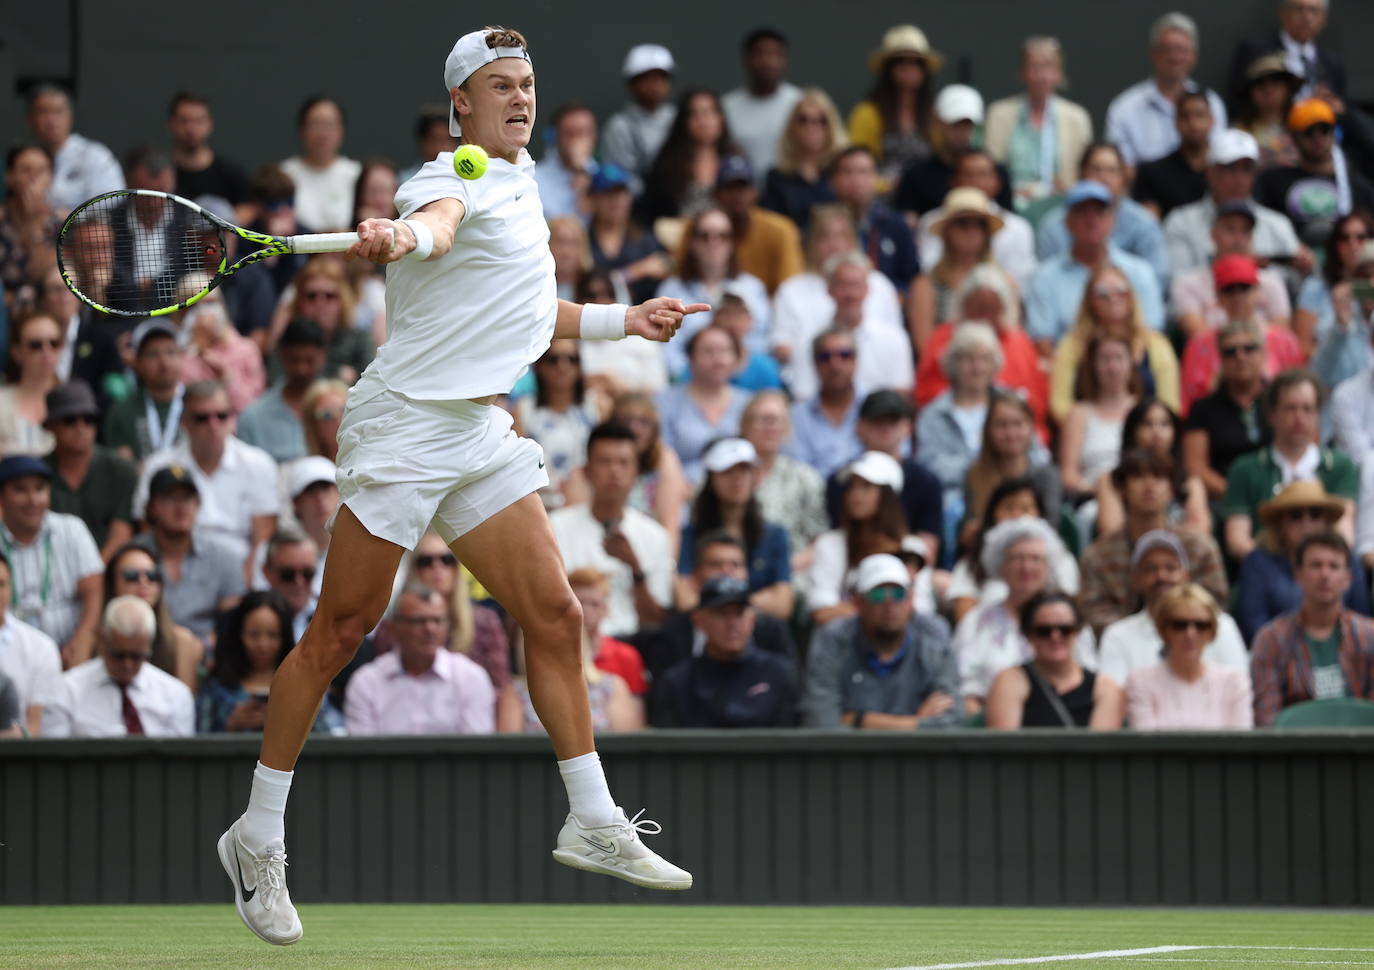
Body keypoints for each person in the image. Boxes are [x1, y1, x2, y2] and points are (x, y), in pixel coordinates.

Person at [220, 31, 702, 944]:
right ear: (461, 107)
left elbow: (520, 310)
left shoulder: (523, 184)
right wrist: (407, 232)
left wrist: (621, 322)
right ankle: (257, 835)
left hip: (477, 428)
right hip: (404, 426)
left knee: (556, 614)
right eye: (499, 85)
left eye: (527, 83)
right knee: (338, 633)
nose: (519, 97)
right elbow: (436, 222)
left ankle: (593, 818)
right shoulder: (445, 176)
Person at [134, 380, 279, 573]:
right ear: (184, 421)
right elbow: (148, 529)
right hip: (177, 569)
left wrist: (244, 586)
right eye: (202, 418)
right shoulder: (158, 466)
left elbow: (262, 539)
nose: (213, 425)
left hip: (242, 571)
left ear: (232, 418)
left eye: (221, 416)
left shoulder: (259, 464)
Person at [1080, 449, 1228, 636]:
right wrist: (1142, 635)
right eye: (1138, 477)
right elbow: (1095, 614)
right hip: (1124, 649)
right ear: (1122, 489)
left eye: (1158, 477)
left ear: (1171, 488)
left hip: (1191, 641)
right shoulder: (1098, 555)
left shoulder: (1199, 547)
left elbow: (1215, 602)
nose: (1149, 485)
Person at [802, 553, 960, 729]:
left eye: (899, 593)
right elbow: (821, 724)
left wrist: (860, 721)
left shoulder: (933, 634)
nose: (889, 602)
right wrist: (917, 723)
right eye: (878, 594)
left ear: (911, 599)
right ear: (857, 602)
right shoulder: (833, 639)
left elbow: (953, 722)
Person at [953, 516, 1094, 710]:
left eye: (1036, 559)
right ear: (1000, 565)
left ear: (1049, 566)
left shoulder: (1068, 619)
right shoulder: (976, 621)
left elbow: (1088, 675)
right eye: (1017, 558)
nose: (1027, 567)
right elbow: (963, 686)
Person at [626, 529, 796, 685]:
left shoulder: (772, 633)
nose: (727, 572)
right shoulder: (671, 636)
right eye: (715, 565)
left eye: (736, 565)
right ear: (694, 575)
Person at [550, 422, 674, 636]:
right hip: (572, 639)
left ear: (636, 471)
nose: (614, 471)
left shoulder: (656, 536)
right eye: (604, 462)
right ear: (587, 471)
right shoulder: (556, 527)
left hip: (634, 643)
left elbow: (655, 620)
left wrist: (636, 570)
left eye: (624, 462)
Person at [1223, 369, 1358, 561]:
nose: (1299, 417)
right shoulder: (1244, 468)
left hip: (1323, 575)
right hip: (1265, 575)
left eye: (1307, 409)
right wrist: (1275, 569)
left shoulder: (1340, 465)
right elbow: (1237, 540)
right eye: (1290, 408)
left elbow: (1344, 534)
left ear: (1318, 415)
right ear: (1271, 415)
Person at [769, 204, 904, 395]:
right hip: (810, 386)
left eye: (841, 235)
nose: (834, 244)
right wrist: (832, 363)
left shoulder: (879, 285)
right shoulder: (791, 290)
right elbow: (781, 346)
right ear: (812, 242)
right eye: (825, 236)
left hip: (875, 389)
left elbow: (892, 343)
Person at [1251, 533, 1374, 725]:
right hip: (1295, 752)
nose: (1325, 575)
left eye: (1334, 566)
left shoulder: (1369, 635)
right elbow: (1267, 721)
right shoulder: (1272, 638)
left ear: (1348, 578)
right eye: (1316, 565)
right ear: (1297, 575)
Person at [342, 583, 496, 735]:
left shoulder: (471, 678)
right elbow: (362, 754)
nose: (430, 629)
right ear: (394, 626)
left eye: (437, 620)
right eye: (419, 621)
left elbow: (476, 752)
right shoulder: (367, 682)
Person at [1025, 181, 1164, 349]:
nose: (1091, 220)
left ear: (1112, 220)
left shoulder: (1140, 272)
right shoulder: (1045, 277)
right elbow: (1042, 343)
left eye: (1099, 211)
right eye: (1082, 211)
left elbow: (1151, 334)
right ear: (1067, 221)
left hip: (1133, 369)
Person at [649, 574, 797, 728]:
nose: (732, 624)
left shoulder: (779, 674)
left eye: (739, 613)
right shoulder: (677, 682)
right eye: (721, 613)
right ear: (698, 620)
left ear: (752, 619)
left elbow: (788, 741)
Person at [1098, 532, 1248, 683]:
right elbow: (1113, 696)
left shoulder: (1222, 626)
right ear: (1135, 579)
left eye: (1170, 567)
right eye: (1150, 569)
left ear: (1186, 575)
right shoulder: (1117, 636)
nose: (1161, 576)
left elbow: (1240, 688)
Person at [503, 575, 644, 735]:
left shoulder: (613, 683)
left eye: (594, 604)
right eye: (581, 603)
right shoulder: (516, 691)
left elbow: (628, 742)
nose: (588, 611)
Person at [915, 264, 1046, 432]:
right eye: (978, 309)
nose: (984, 317)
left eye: (991, 310)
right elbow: (926, 395)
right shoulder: (942, 339)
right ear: (964, 305)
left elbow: (1037, 403)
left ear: (1003, 310)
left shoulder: (1020, 343)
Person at [0, 453, 103, 667]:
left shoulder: (72, 530)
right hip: (7, 652)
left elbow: (94, 594)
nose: (33, 500)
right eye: (21, 489)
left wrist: (81, 640)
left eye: (40, 489)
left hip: (68, 650)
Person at [1235, 480, 1370, 643]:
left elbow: (1361, 616)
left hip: (1345, 653)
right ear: (1280, 523)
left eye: (1315, 514)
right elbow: (1254, 624)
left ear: (1327, 521)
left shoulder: (1348, 558)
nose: (1306, 522)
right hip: (1279, 655)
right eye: (1296, 515)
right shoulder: (1258, 562)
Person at [42, 596, 194, 737]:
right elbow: (55, 760)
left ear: (149, 645)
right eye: (118, 655)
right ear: (102, 641)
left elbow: (180, 761)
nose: (127, 665)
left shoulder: (175, 696)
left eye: (137, 656)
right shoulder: (67, 690)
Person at [677, 438, 792, 619]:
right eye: (728, 471)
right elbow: (684, 599)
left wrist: (727, 602)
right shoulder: (690, 535)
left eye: (745, 470)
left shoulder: (774, 534)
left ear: (756, 477)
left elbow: (783, 604)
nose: (737, 479)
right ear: (712, 477)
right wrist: (756, 600)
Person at [1049, 264, 1180, 424]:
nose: (1113, 298)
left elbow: (1170, 404)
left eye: (1121, 291)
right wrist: (1095, 427)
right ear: (1090, 300)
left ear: (1131, 297)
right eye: (1102, 293)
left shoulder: (1156, 344)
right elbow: (1060, 405)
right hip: (1087, 434)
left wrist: (1137, 430)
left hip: (1144, 435)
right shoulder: (1071, 345)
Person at [1163, 129, 1304, 276]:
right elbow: (1177, 281)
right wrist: (1240, 265)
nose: (1239, 178)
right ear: (1210, 172)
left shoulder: (1278, 225)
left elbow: (1296, 287)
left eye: (1246, 169)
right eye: (1230, 168)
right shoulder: (1180, 222)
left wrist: (1304, 270)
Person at [199, 592, 343, 735]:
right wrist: (231, 727)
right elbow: (198, 743)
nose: (263, 645)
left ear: (284, 637)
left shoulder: (305, 691)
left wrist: (296, 722)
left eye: (272, 635)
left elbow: (328, 738)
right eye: (254, 635)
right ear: (239, 635)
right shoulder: (216, 690)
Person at [825, 390, 944, 561]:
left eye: (893, 420)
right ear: (859, 427)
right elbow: (836, 538)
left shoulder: (927, 482)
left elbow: (927, 551)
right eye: (877, 421)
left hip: (904, 564)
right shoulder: (840, 480)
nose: (885, 428)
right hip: (847, 562)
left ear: (908, 427)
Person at [1036, 143, 1169, 290]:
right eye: (1096, 169)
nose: (1104, 178)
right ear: (1081, 174)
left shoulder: (1145, 223)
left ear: (1124, 178)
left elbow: (1158, 281)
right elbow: (1044, 284)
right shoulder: (1052, 225)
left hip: (1125, 306)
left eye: (1112, 171)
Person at [135, 463, 245, 642]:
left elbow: (230, 623)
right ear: (151, 507)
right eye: (170, 497)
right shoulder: (133, 555)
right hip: (147, 649)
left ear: (198, 504)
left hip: (209, 656)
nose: (180, 507)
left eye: (187, 497)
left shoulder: (224, 557)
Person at [657, 208, 770, 379]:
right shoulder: (672, 289)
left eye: (722, 235)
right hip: (690, 382)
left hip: (747, 379)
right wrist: (694, 377)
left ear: (732, 242)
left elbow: (761, 340)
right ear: (692, 242)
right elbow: (667, 345)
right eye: (704, 235)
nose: (713, 242)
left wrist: (734, 373)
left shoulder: (753, 287)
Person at [1104, 12, 1228, 168]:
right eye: (1167, 49)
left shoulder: (1211, 102)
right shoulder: (1124, 108)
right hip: (1144, 190)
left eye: (1182, 50)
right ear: (1153, 54)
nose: (1174, 57)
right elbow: (1120, 168)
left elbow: (1219, 158)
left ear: (1193, 56)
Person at [945, 477, 1078, 622]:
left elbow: (1070, 610)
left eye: (1025, 509)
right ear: (993, 513)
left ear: (1040, 513)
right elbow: (964, 617)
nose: (1016, 516)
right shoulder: (972, 563)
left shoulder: (1061, 558)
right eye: (1008, 508)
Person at [984, 36, 1094, 210]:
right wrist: (1011, 192)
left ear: (1059, 73)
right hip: (1010, 206)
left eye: (1048, 66)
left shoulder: (1077, 118)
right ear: (1021, 72)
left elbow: (1084, 174)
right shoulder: (998, 114)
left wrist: (1064, 188)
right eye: (1033, 66)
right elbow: (991, 169)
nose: (1041, 74)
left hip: (1063, 207)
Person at [985, 592, 1124, 729]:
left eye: (1065, 629)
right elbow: (1005, 747)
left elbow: (1100, 748)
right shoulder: (1010, 681)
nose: (1055, 636)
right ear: (1028, 634)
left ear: (1077, 631)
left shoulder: (1104, 688)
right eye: (1044, 631)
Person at [1125, 583, 1254, 730]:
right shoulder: (1141, 682)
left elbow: (1241, 746)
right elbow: (1145, 746)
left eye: (1201, 625)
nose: (1190, 634)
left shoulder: (1234, 682)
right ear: (1164, 630)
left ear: (1212, 632)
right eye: (1180, 625)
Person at [788, 252, 913, 402]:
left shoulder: (894, 339)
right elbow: (803, 395)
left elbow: (901, 394)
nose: (850, 294)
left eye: (856, 285)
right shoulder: (807, 340)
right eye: (842, 285)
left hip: (879, 421)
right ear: (829, 289)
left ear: (867, 290)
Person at [807, 451, 910, 626]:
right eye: (852, 486)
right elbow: (822, 611)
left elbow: (919, 610)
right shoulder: (829, 544)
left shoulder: (912, 548)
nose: (855, 494)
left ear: (887, 495)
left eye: (866, 486)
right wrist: (875, 613)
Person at [906, 187, 1014, 353]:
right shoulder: (926, 285)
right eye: (963, 223)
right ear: (947, 231)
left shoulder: (1005, 282)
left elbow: (1011, 339)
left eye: (980, 224)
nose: (972, 231)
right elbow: (926, 348)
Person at [1257, 98, 1374, 245]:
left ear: (1333, 133)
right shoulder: (1273, 182)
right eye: (1309, 132)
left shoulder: (1357, 185)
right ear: (1294, 137)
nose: (1317, 138)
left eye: (1324, 129)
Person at [916, 150, 1037, 292]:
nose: (974, 182)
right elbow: (929, 269)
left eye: (982, 175)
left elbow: (1020, 284)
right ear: (953, 181)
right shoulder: (930, 221)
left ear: (997, 183)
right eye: (967, 175)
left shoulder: (1018, 228)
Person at [43, 381, 136, 561]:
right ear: (51, 426)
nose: (81, 428)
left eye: (89, 419)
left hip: (108, 571)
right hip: (50, 569)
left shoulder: (120, 469)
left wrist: (94, 574)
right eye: (69, 420)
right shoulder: (37, 473)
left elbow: (121, 534)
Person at [1182, 318, 1274, 499]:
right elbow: (1196, 468)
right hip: (1224, 500)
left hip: (1281, 497)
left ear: (1263, 353)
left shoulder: (1280, 402)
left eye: (1249, 348)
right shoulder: (1203, 408)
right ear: (1220, 359)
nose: (1240, 357)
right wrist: (1237, 495)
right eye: (1230, 352)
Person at [1170, 203, 1292, 340]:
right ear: (1213, 234)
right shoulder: (1187, 283)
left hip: (1266, 358)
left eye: (1245, 231)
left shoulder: (1271, 281)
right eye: (1230, 229)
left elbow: (1281, 335)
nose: (1238, 238)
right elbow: (1198, 336)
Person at [893, 85, 1015, 219]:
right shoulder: (915, 176)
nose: (962, 131)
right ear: (937, 121)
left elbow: (1009, 222)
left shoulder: (996, 172)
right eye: (955, 123)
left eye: (967, 124)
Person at [915, 322, 1003, 504]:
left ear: (994, 364)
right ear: (954, 363)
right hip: (955, 496)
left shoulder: (1011, 405)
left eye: (985, 359)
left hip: (1008, 490)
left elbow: (1037, 457)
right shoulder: (933, 414)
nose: (977, 367)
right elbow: (930, 466)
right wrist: (983, 468)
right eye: (968, 359)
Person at [741, 391, 828, 571]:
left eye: (777, 420)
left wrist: (784, 569)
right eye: (763, 419)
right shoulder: (724, 474)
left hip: (793, 574)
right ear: (745, 425)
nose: (770, 427)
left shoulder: (805, 478)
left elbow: (819, 539)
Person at [1097, 399, 1210, 538]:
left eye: (1164, 424)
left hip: (1180, 556)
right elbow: (1111, 530)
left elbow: (1201, 531)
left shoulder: (1190, 481)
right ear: (1132, 431)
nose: (1157, 432)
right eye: (1147, 424)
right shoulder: (1111, 479)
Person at [962, 393, 1062, 547]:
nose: (1011, 434)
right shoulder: (974, 475)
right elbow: (971, 531)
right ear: (988, 430)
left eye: (1018, 424)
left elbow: (1050, 529)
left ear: (1030, 428)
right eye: (1002, 425)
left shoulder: (1046, 476)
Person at [516, 339, 606, 510]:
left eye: (571, 359)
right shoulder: (522, 410)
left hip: (589, 504)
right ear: (539, 366)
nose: (562, 366)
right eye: (553, 359)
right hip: (542, 505)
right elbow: (520, 467)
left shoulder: (599, 405)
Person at [847, 25, 940, 188]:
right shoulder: (867, 113)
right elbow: (854, 165)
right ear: (888, 68)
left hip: (924, 197)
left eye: (916, 62)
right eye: (900, 62)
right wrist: (886, 185)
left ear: (925, 69)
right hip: (879, 197)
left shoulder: (935, 113)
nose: (908, 68)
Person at [105, 542, 205, 690]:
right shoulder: (96, 638)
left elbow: (184, 705)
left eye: (152, 576)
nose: (143, 582)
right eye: (131, 576)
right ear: (113, 585)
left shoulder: (181, 641)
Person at [656, 326, 750, 481]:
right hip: (680, 491)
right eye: (708, 352)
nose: (718, 360)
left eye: (725, 351)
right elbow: (660, 455)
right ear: (691, 358)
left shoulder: (749, 404)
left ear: (736, 358)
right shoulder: (665, 403)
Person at [638, 89, 741, 226]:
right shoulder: (667, 164)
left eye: (710, 112)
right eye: (694, 114)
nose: (703, 121)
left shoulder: (737, 162)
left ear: (721, 118)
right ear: (683, 122)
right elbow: (653, 212)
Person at [827, 146, 920, 293]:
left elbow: (913, 280)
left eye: (863, 172)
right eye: (847, 172)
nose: (856, 180)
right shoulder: (821, 226)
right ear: (833, 180)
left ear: (875, 177)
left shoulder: (896, 225)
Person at [1058, 335, 1138, 502]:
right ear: (1093, 366)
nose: (1113, 367)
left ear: (1131, 363)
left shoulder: (1143, 410)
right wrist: (1103, 494)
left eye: (1119, 358)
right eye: (1105, 359)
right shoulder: (1077, 414)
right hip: (1091, 498)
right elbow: (1069, 476)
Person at [609, 392, 691, 554]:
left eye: (644, 422)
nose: (635, 429)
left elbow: (669, 525)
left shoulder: (665, 460)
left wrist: (667, 568)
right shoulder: (598, 460)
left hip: (650, 552)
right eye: (627, 420)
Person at [236, 320, 327, 464]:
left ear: (323, 356)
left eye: (309, 361)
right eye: (294, 360)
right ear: (282, 355)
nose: (301, 369)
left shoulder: (341, 409)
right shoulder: (253, 418)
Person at [271, 258, 375, 384]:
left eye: (329, 296)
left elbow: (371, 385)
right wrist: (337, 374)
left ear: (342, 301)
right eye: (311, 296)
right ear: (299, 301)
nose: (320, 303)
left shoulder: (360, 340)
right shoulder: (287, 342)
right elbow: (279, 385)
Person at [713, 155, 805, 295]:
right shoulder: (704, 230)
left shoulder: (780, 230)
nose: (738, 195)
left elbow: (790, 289)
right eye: (730, 188)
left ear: (755, 192)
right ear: (716, 194)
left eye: (743, 188)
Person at [1229, 0, 1346, 108]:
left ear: (1324, 18)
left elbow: (1344, 106)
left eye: (1313, 11)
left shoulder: (1332, 63)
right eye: (1299, 9)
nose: (1307, 17)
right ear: (1283, 13)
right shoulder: (1256, 52)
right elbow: (1240, 104)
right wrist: (1308, 105)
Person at [721, 28, 803, 181]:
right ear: (746, 59)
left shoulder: (800, 104)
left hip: (792, 195)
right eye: (759, 53)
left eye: (774, 54)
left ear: (784, 60)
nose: (766, 61)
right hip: (741, 195)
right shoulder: (726, 107)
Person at [25, 84, 124, 211]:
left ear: (70, 117)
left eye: (58, 111)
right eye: (43, 112)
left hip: (84, 229)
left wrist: (71, 216)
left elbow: (113, 198)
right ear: (30, 119)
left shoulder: (95, 155)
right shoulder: (22, 158)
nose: (51, 120)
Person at [585, 164, 670, 306]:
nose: (616, 200)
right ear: (593, 199)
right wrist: (634, 272)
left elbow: (665, 265)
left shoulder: (644, 238)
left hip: (641, 314)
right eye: (608, 193)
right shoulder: (584, 239)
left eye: (621, 193)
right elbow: (583, 282)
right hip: (594, 315)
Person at [760, 90, 847, 229]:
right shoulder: (777, 178)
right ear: (792, 127)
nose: (812, 127)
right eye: (803, 120)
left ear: (831, 126)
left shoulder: (841, 172)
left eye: (821, 121)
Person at [102, 321, 186, 464]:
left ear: (181, 357)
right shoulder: (121, 412)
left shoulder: (201, 405)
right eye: (153, 355)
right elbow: (121, 465)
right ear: (137, 363)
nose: (164, 362)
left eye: (171, 352)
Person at [1296, 211, 1374, 363]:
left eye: (1361, 237)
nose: (1353, 244)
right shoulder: (1315, 287)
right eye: (1344, 238)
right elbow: (1304, 350)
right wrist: (1340, 323)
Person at [0, 551, 62, 735]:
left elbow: (35, 727)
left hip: (16, 759)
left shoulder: (41, 648)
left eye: (1, 584)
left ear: (11, 589)